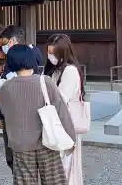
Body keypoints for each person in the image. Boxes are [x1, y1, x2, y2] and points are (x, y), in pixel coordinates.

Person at [0, 44, 76, 185]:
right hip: (47, 143)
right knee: (54, 182)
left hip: (21, 146)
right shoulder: (45, 82)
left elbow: (5, 120)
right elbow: (62, 113)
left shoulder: (5, 89)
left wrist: (9, 152)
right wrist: (71, 138)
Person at [0, 25, 43, 171]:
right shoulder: (31, 52)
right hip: (19, 111)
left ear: (12, 41)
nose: (2, 47)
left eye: (3, 43)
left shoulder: (23, 56)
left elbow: (12, 84)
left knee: (18, 155)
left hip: (19, 112)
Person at [44, 34, 85, 185]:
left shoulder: (70, 71)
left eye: (54, 53)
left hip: (66, 125)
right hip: (55, 124)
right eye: (48, 53)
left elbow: (59, 99)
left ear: (63, 53)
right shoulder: (52, 70)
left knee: (65, 168)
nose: (50, 57)